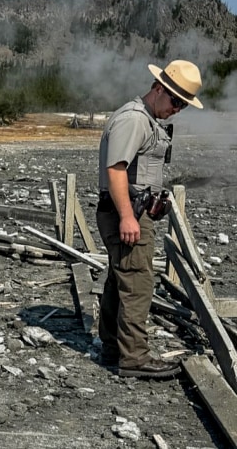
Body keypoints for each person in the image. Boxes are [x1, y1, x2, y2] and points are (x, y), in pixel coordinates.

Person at [96, 59, 203, 379]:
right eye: (176, 101)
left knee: (122, 279)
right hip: (126, 212)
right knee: (138, 282)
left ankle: (114, 348)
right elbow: (115, 169)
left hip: (131, 209)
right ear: (158, 89)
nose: (178, 109)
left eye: (183, 105)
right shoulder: (134, 119)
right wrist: (128, 216)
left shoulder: (145, 119)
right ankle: (135, 358)